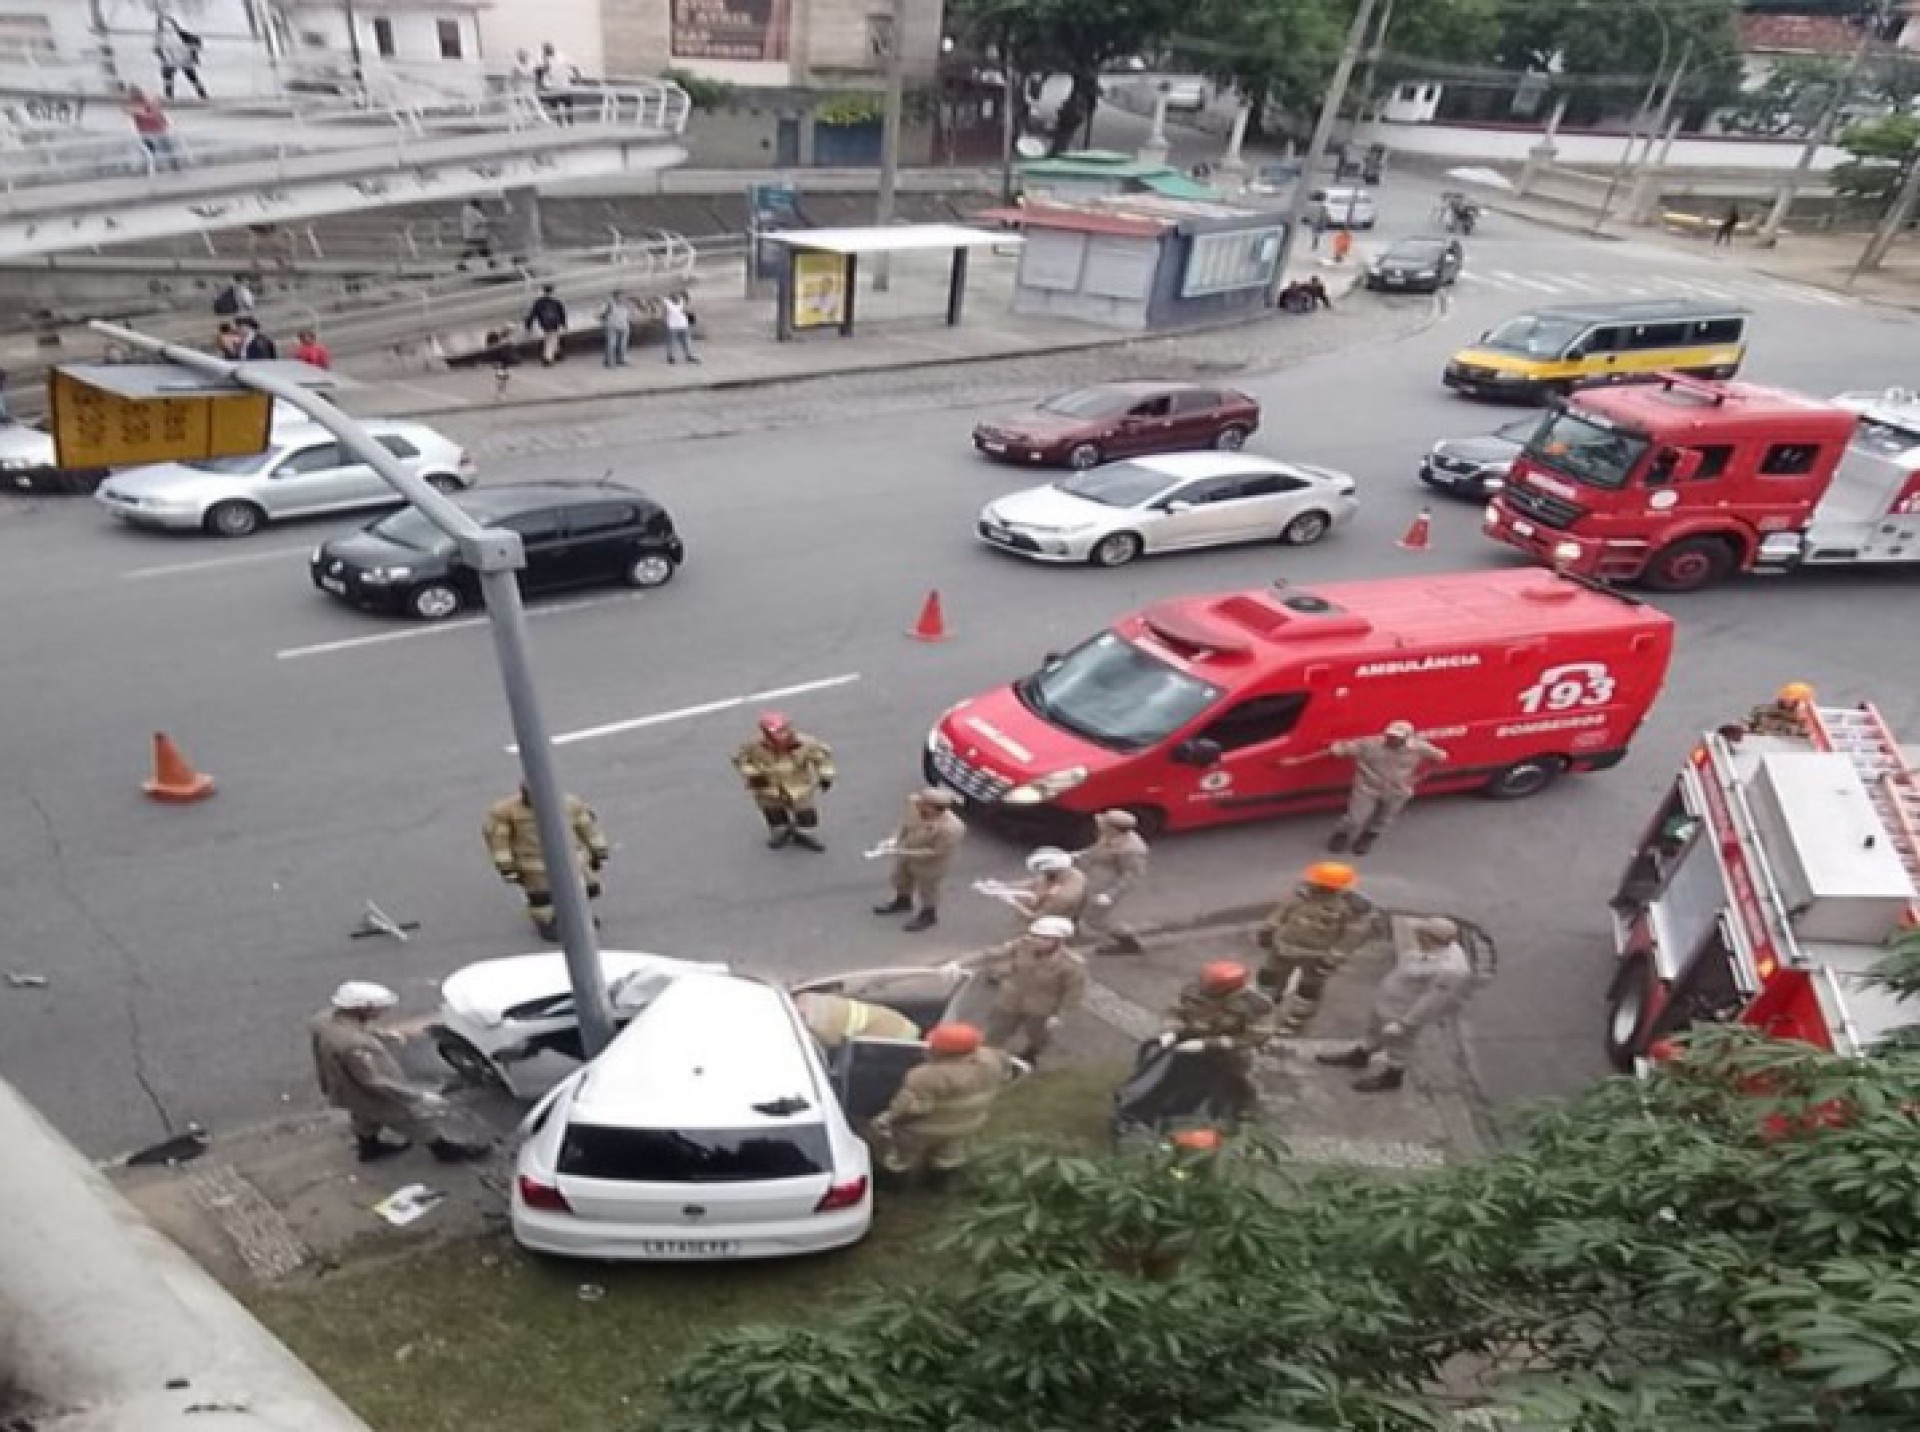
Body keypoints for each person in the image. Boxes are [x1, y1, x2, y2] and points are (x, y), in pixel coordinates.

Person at [310, 982, 489, 1163]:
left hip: (343, 1088)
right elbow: (373, 1081)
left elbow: (353, 1029)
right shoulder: (355, 1045)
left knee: (363, 1116)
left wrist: (380, 1034)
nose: (382, 1013)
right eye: (379, 1009)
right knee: (412, 1119)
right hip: (371, 1094)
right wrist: (417, 1097)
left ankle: (369, 1148)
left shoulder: (323, 1020)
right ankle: (446, 1151)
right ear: (363, 1008)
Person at [1316, 917, 1475, 1092]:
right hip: (1388, 1001)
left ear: (1430, 938)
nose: (1416, 936)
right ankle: (1360, 1055)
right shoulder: (1429, 949)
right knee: (1373, 1030)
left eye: (1420, 934)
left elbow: (1432, 1001)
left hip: (1402, 1012)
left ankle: (1392, 1076)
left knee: (1399, 1046)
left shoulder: (1449, 969)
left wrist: (1406, 1024)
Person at [867, 1023, 1013, 1184]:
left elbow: (910, 1109)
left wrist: (886, 1120)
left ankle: (896, 1181)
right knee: (949, 1155)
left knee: (901, 1156)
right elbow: (1006, 1078)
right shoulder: (993, 1061)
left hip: (924, 1130)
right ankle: (940, 1182)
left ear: (938, 1050)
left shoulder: (925, 1076)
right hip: (968, 1123)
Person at [1256, 861, 1376, 1036]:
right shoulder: (1303, 894)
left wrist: (1331, 960)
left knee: (1307, 991)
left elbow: (1351, 938)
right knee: (1268, 981)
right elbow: (1282, 912)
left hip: (1315, 957)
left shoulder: (1353, 908)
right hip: (1282, 948)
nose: (1315, 885)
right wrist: (1268, 930)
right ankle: (1264, 1010)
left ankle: (1294, 1023)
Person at [482, 783, 611, 940]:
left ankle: (578, 917)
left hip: (571, 859)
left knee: (582, 889)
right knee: (542, 897)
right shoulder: (506, 812)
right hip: (534, 864)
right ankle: (549, 922)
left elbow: (586, 827)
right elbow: (499, 840)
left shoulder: (570, 804)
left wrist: (598, 850)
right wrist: (506, 866)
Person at [953, 916, 1086, 1064]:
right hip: (1010, 1000)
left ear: (1058, 941)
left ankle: (1035, 1054)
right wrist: (959, 963)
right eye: (1034, 936)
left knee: (1037, 1036)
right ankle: (982, 1061)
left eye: (1043, 938)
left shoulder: (1071, 964)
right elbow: (991, 953)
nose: (1035, 940)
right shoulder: (1022, 945)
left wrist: (1060, 1015)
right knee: (995, 1033)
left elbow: (1073, 992)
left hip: (1040, 1008)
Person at [1159, 960, 1275, 1119]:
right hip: (1195, 1033)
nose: (1205, 990)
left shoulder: (1256, 1005)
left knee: (1243, 1068)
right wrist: (1171, 1030)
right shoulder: (1193, 990)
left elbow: (1256, 1036)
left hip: (1232, 1043)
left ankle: (1246, 1103)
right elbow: (1175, 1011)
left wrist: (1208, 1044)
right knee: (1164, 1056)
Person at [1314, 719, 1447, 855]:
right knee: (1355, 818)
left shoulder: (1420, 748)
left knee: (1383, 818)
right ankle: (1341, 835)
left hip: (1397, 790)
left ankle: (1368, 837)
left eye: (1396, 737)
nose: (1392, 739)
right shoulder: (1371, 744)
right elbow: (1343, 748)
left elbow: (1441, 757)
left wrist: (1418, 778)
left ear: (1407, 738)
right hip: (1368, 788)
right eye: (1390, 735)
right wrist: (1335, 749)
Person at [732, 710, 834, 852]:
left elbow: (822, 759)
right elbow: (740, 760)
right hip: (768, 788)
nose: (782, 735)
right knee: (774, 814)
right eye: (777, 733)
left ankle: (803, 834)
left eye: (784, 730)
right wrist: (754, 773)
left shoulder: (806, 743)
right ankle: (781, 831)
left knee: (806, 814)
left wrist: (826, 776)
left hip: (798, 786)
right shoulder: (753, 746)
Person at [873, 787, 966, 931]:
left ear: (936, 809)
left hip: (931, 863)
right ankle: (903, 901)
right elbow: (905, 823)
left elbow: (936, 852)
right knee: (900, 877)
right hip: (907, 850)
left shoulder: (951, 828)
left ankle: (928, 915)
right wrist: (895, 839)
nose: (918, 805)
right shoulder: (914, 806)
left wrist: (904, 852)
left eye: (924, 804)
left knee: (928, 889)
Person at [1075, 809, 1149, 954]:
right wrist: (1081, 855)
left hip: (1106, 885)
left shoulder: (1132, 849)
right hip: (1093, 878)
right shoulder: (1109, 835)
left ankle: (1127, 941)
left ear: (1113, 828)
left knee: (1096, 919)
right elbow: (1098, 849)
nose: (1099, 825)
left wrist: (1110, 894)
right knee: (1078, 905)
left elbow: (1132, 875)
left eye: (1104, 824)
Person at [794, 991, 921, 1049]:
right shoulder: (893, 1034)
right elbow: (863, 1050)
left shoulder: (897, 1021)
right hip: (825, 1024)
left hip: (824, 1009)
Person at [1010, 847, 1087, 924]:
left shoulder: (1062, 897)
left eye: (1044, 871)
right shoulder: (1068, 871)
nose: (1042, 873)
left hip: (1053, 921)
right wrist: (1009, 885)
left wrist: (1014, 903)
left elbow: (1036, 918)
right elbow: (1037, 881)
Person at [155, 18, 208, 101]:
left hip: (180, 58)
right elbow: (157, 49)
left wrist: (194, 54)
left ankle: (203, 96)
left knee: (191, 78)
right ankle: (170, 97)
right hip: (175, 59)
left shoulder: (179, 34)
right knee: (171, 77)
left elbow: (196, 41)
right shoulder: (162, 35)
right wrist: (163, 59)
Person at [125, 87, 178, 169]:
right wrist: (149, 110)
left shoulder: (148, 103)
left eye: (139, 93)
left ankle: (173, 163)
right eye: (135, 94)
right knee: (154, 143)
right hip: (146, 133)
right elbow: (139, 113)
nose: (140, 95)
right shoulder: (133, 106)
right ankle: (155, 164)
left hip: (158, 130)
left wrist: (153, 107)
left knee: (165, 141)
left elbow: (158, 114)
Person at [1747, 682, 1815, 738]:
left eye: (1795, 700)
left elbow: (1805, 734)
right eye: (1787, 697)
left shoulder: (1803, 719)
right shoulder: (1764, 710)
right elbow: (1746, 722)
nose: (1788, 700)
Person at [524, 284, 568, 366]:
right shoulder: (556, 301)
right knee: (551, 340)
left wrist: (528, 324)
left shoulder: (538, 302)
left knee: (552, 338)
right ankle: (547, 359)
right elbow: (562, 313)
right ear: (552, 291)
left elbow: (532, 314)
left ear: (543, 291)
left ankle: (557, 353)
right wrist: (564, 324)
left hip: (544, 323)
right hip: (555, 322)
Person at [661, 292, 699, 365]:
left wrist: (690, 319)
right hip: (672, 326)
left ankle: (689, 355)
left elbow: (685, 310)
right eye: (674, 295)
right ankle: (671, 357)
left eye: (677, 295)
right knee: (672, 342)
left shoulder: (681, 300)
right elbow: (664, 314)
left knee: (686, 341)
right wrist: (665, 322)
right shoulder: (666, 302)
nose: (676, 296)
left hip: (683, 324)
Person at [599, 291, 633, 367]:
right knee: (611, 344)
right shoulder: (609, 305)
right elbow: (601, 315)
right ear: (615, 297)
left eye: (622, 297)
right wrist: (605, 322)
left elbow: (629, 314)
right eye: (619, 297)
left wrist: (629, 322)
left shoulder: (626, 304)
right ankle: (609, 362)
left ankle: (621, 359)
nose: (621, 298)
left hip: (624, 326)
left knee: (623, 345)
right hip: (612, 326)